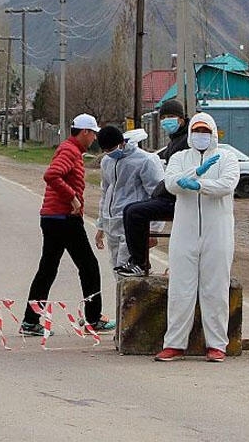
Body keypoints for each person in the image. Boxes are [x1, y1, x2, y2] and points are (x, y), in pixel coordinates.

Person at [155, 112, 239, 363]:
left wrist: (200, 186)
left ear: (213, 133)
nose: (200, 136)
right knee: (181, 287)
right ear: (190, 133)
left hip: (218, 230)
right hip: (186, 230)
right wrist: (196, 172)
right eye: (196, 131)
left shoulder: (227, 157)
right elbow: (171, 183)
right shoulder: (179, 157)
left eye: (205, 131)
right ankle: (174, 344)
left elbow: (227, 184)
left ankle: (216, 344)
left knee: (216, 287)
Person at [20, 113, 115, 336]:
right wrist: (72, 197)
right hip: (63, 218)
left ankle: (30, 321)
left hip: (54, 218)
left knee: (48, 269)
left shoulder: (72, 150)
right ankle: (93, 318)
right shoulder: (69, 150)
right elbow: (52, 175)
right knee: (89, 267)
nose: (94, 139)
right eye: (93, 134)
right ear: (84, 132)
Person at [117, 99, 190, 276]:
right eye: (163, 117)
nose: (167, 120)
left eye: (171, 116)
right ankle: (137, 260)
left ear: (181, 118)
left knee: (135, 212)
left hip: (180, 200)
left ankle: (140, 263)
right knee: (130, 210)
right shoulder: (175, 140)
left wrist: (160, 191)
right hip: (169, 196)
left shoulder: (186, 141)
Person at [94, 125, 164, 271]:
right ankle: (124, 294)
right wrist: (101, 225)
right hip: (111, 221)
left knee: (127, 268)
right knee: (116, 268)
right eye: (105, 151)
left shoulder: (145, 161)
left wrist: (154, 229)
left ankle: (135, 292)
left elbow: (158, 195)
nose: (108, 153)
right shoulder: (107, 161)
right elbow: (105, 192)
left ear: (121, 143)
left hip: (133, 223)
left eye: (111, 149)